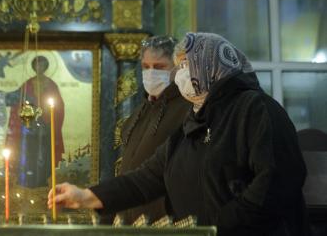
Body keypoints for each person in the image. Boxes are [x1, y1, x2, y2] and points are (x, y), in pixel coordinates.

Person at [48, 33, 309, 236]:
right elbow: (146, 178)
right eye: (179, 66)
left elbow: (277, 181)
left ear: (211, 65)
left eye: (186, 65)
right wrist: (85, 196)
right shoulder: (194, 120)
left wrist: (216, 227)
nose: (180, 74)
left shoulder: (255, 108)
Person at [116, 36, 191, 224]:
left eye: (159, 67)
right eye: (145, 66)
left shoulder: (188, 108)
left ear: (177, 67)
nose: (151, 73)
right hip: (130, 214)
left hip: (165, 218)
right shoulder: (140, 111)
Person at [6, 55, 65, 188]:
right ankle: (28, 182)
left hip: (46, 125)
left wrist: (49, 112)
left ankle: (44, 182)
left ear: (46, 67)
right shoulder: (27, 84)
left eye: (42, 65)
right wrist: (26, 111)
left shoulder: (51, 85)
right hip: (29, 128)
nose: (40, 67)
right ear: (34, 67)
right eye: (37, 65)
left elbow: (59, 106)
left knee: (45, 153)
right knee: (29, 153)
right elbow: (18, 103)